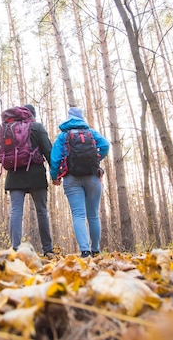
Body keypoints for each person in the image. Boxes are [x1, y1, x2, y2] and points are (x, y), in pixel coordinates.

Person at [50, 107, 109, 258]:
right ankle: (96, 250)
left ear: (69, 118)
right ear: (81, 118)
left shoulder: (63, 136)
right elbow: (105, 145)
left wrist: (55, 176)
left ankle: (85, 250)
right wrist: (96, 158)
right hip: (92, 176)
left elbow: (55, 158)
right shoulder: (92, 133)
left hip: (71, 178)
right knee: (93, 215)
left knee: (78, 214)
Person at [4, 104, 55, 259]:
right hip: (36, 174)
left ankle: (15, 249)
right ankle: (47, 249)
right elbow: (48, 151)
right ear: (32, 115)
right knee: (42, 211)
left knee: (16, 211)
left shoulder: (10, 128)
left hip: (14, 175)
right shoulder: (37, 127)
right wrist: (55, 173)